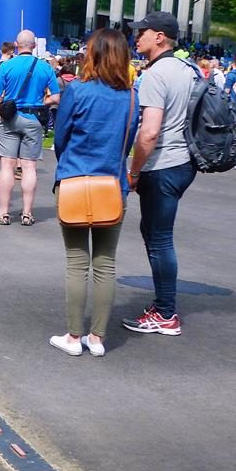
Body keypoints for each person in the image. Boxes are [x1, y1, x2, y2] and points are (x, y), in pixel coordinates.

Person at [49, 29, 140, 357]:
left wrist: (70, 164)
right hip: (112, 185)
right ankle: (97, 338)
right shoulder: (131, 97)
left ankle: (74, 336)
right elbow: (127, 142)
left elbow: (61, 137)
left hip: (75, 180)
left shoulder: (77, 89)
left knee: (77, 262)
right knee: (105, 263)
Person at [124, 11, 197, 336]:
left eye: (142, 32)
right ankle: (163, 307)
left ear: (159, 37)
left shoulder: (156, 74)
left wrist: (134, 170)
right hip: (185, 161)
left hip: (163, 163)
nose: (136, 38)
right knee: (156, 234)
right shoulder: (188, 69)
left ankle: (166, 312)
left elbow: (149, 132)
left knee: (159, 239)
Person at [0, 30, 62, 226]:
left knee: (7, 165)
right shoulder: (45, 67)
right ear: (34, 46)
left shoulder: (6, 66)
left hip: (10, 118)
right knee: (29, 167)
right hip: (33, 118)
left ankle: (3, 213)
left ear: (16, 45)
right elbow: (56, 97)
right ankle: (27, 213)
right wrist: (41, 103)